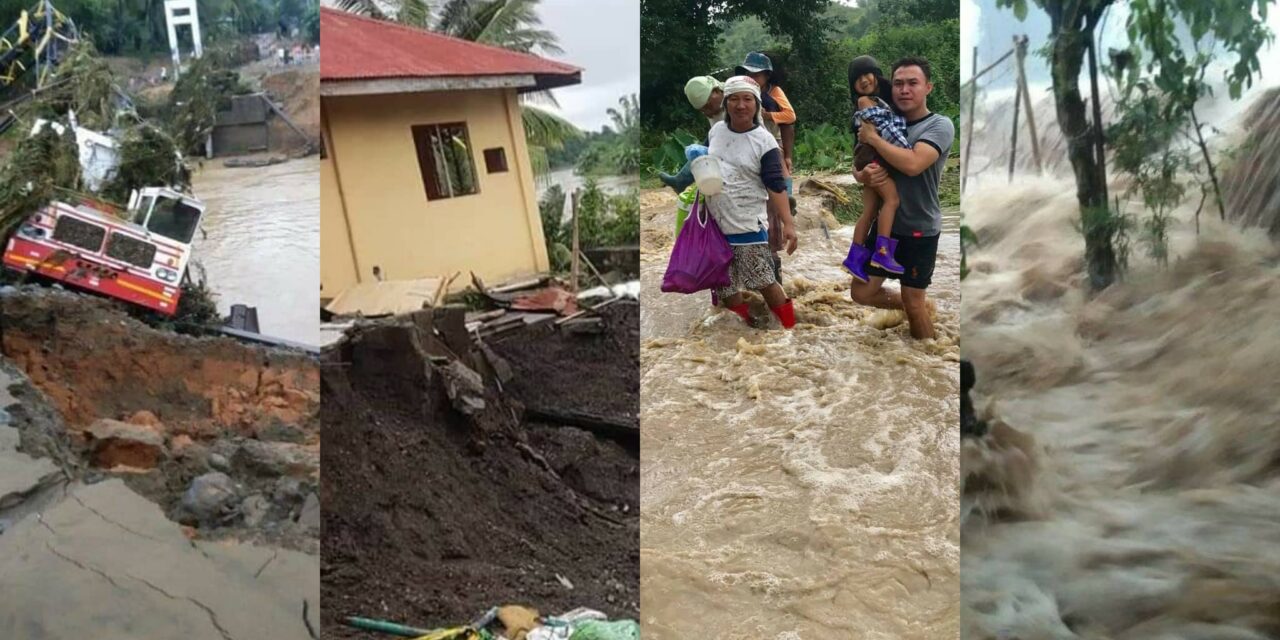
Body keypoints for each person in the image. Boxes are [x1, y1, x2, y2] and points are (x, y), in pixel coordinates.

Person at [850, 56, 955, 340]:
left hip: (919, 227)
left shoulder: (939, 125)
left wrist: (874, 139)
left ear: (928, 87)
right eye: (898, 83)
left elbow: (912, 163)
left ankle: (929, 358)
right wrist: (862, 176)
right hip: (887, 227)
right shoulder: (884, 118)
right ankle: (918, 306)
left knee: (913, 301)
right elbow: (858, 159)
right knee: (860, 292)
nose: (904, 90)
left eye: (912, 83)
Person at [705, 76, 799, 329]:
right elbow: (705, 164)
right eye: (734, 99)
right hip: (716, 223)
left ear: (757, 104)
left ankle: (789, 330)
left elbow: (775, 186)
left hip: (747, 224)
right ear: (726, 103)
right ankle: (745, 329)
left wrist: (788, 224)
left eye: (747, 99)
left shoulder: (764, 141)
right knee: (724, 283)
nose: (740, 105)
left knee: (763, 280)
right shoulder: (716, 131)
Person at [843, 55, 910, 279]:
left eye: (867, 74)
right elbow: (884, 130)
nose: (863, 81)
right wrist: (907, 151)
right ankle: (883, 253)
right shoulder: (866, 102)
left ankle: (854, 260)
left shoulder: (881, 98)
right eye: (857, 79)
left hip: (867, 158)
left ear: (876, 73)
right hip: (874, 159)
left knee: (869, 211)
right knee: (892, 200)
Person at [734, 52, 797, 283]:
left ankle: (787, 208)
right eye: (748, 72)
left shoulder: (773, 93)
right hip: (747, 152)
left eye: (756, 73)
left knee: (776, 190)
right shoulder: (744, 94)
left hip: (771, 145)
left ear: (766, 75)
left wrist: (767, 114)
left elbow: (790, 117)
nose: (752, 76)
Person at [657, 76, 724, 193]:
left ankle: (680, 181)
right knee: (700, 150)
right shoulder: (715, 106)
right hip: (721, 135)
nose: (708, 113)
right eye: (703, 110)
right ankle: (680, 181)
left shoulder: (738, 97)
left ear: (717, 91)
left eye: (708, 107)